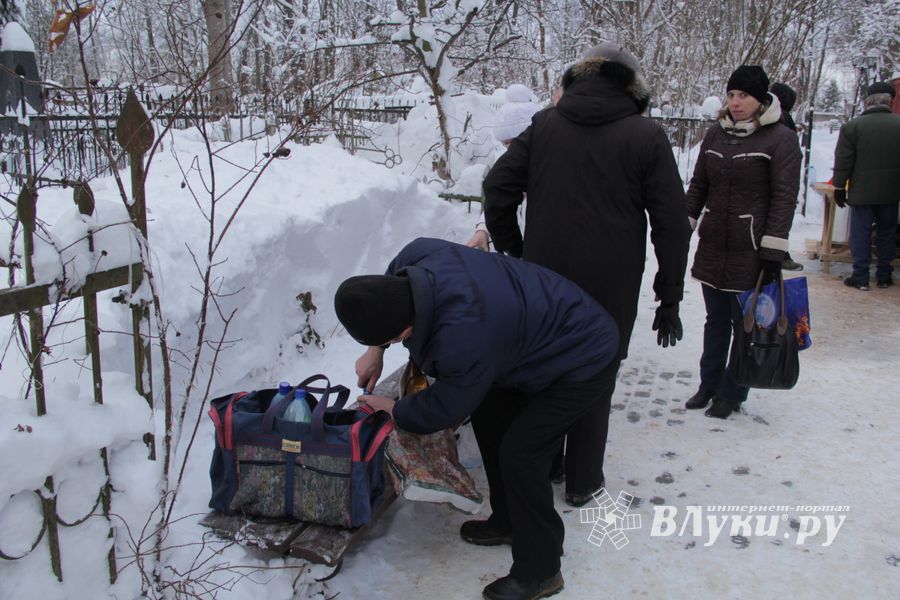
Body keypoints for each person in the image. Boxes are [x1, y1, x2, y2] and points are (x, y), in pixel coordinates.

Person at [334, 237, 619, 600]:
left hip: (583, 356)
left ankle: (541, 570)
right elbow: (382, 292)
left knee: (522, 452)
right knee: (489, 416)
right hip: (527, 336)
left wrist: (392, 409)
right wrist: (375, 350)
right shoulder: (416, 257)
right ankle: (509, 521)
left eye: (392, 339)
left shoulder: (464, 335)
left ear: (404, 331)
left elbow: (444, 408)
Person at [482, 42, 691, 506]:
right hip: (611, 281)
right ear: (632, 86)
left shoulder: (543, 125)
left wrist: (518, 252)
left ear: (579, 78)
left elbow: (498, 188)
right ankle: (581, 481)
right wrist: (669, 295)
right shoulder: (647, 136)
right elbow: (673, 225)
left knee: (546, 366)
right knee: (597, 370)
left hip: (544, 277)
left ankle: (548, 464)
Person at [683, 65, 802, 418]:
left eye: (744, 96)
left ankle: (733, 390)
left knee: (743, 323)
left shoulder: (780, 138)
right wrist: (682, 227)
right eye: (732, 95)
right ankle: (708, 383)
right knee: (714, 320)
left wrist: (773, 250)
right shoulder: (715, 136)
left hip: (752, 250)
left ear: (761, 99)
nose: (735, 102)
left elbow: (784, 196)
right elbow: (699, 186)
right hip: (714, 244)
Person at [832, 81, 900, 290]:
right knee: (887, 232)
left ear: (867, 101)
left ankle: (860, 276)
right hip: (892, 191)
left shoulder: (852, 127)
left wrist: (839, 187)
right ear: (890, 100)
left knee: (860, 233)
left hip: (861, 192)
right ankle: (884, 275)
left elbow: (844, 161)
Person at [467, 84, 543, 252]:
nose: (509, 150)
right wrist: (483, 229)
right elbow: (501, 198)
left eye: (510, 143)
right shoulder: (514, 165)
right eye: (504, 144)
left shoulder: (545, 167)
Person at [770, 82, 805, 272]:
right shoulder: (782, 118)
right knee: (779, 218)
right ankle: (779, 256)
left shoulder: (776, 116)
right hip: (780, 180)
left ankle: (780, 255)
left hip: (780, 178)